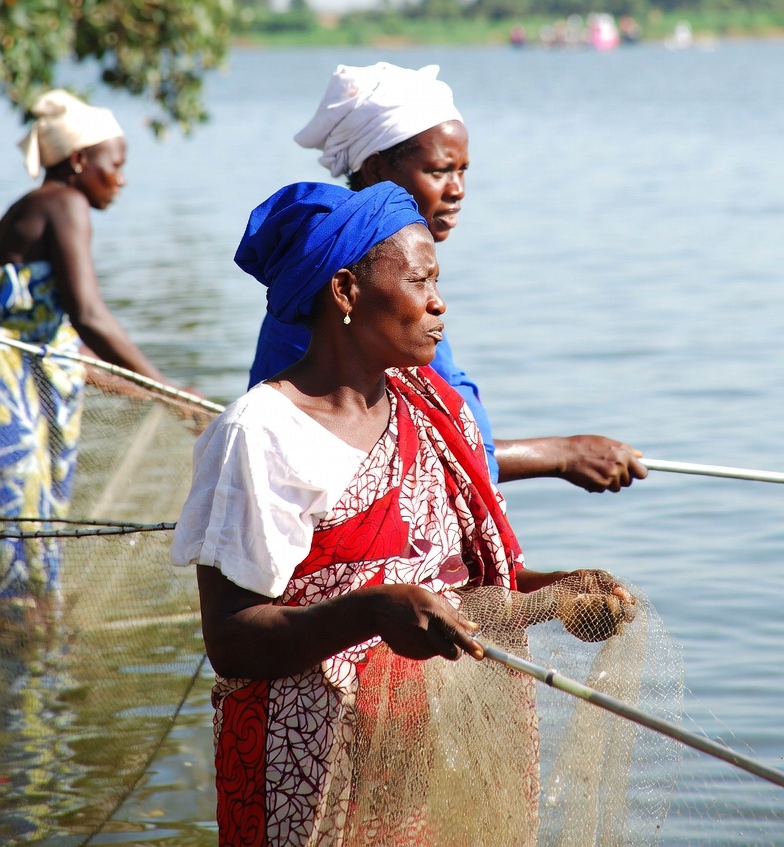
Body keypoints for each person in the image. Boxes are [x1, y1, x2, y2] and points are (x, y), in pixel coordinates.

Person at [172, 180, 634, 846]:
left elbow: (452, 589)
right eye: (420, 281)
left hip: (425, 762)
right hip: (306, 770)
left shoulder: (432, 411)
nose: (439, 303)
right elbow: (232, 639)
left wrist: (558, 596)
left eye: (437, 281)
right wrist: (369, 612)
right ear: (345, 293)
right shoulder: (261, 434)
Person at [248, 61, 648, 491]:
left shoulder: (406, 293)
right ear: (378, 170)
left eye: (463, 170)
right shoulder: (337, 296)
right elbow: (391, 457)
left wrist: (564, 455)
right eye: (439, 171)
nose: (457, 188)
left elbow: (442, 435)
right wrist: (562, 455)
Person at [0, 89, 179, 598]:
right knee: (22, 520)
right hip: (8, 389)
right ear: (78, 161)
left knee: (31, 525)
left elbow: (61, 338)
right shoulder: (62, 202)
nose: (121, 179)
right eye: (114, 164)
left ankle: (29, 642)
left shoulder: (44, 207)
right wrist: (161, 386)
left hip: (24, 386)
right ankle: (29, 638)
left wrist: (142, 390)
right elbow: (90, 316)